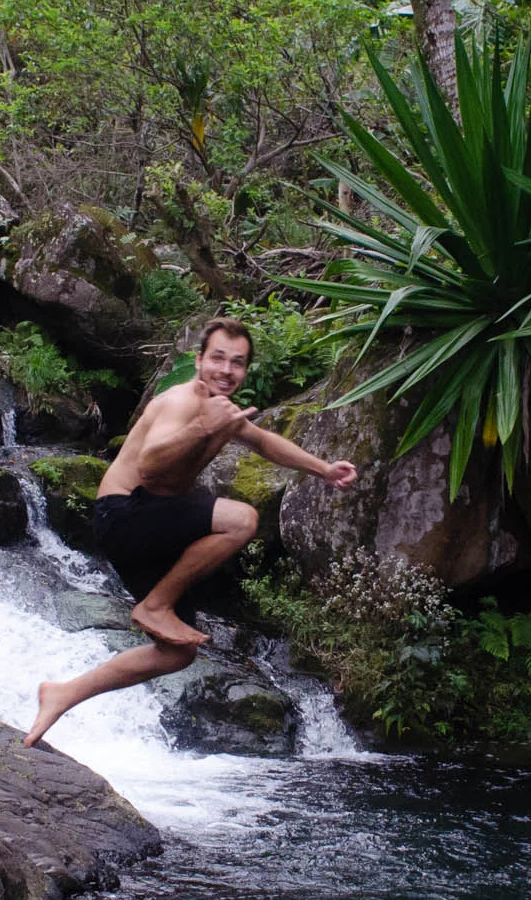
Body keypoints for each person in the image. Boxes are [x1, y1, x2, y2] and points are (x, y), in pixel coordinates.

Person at [24, 316, 356, 747]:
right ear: (198, 361)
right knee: (241, 519)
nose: (226, 370)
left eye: (237, 363)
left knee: (177, 654)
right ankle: (155, 605)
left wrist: (324, 469)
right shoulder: (180, 402)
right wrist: (204, 426)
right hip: (124, 514)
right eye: (217, 358)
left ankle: (64, 693)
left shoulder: (227, 414)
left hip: (153, 522)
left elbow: (265, 443)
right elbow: (150, 463)